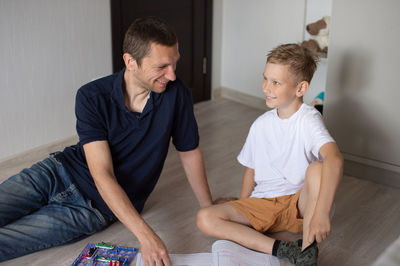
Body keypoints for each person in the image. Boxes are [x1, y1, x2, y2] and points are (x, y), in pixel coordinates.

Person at [0, 17, 214, 265]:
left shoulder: (177, 96)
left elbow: (189, 152)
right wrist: (147, 236)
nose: (173, 75)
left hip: (91, 208)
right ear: (130, 62)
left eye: (175, 63)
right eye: (162, 67)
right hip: (56, 171)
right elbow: (102, 174)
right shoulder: (91, 96)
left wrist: (207, 207)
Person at [196, 43, 343, 266]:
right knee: (204, 218)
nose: (266, 87)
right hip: (263, 203)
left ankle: (308, 251)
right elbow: (251, 171)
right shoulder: (260, 125)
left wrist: (321, 213)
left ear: (300, 89)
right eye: (265, 78)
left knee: (318, 168)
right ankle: (284, 249)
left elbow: (335, 159)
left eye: (276, 82)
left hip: (299, 204)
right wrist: (242, 206)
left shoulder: (308, 119)